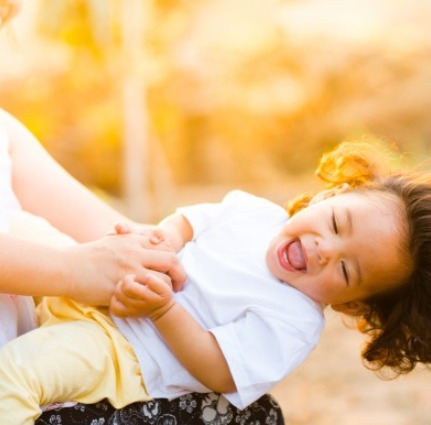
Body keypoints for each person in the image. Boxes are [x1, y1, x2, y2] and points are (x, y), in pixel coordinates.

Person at [2, 140, 431, 424]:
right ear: (329, 197)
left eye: (345, 270)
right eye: (337, 222)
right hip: (101, 286)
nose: (326, 249)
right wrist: (165, 240)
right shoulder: (255, 213)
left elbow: (219, 370)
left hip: (118, 348)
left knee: (14, 377)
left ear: (353, 304)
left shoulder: (294, 322)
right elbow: (190, 220)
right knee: (24, 232)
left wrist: (165, 310)